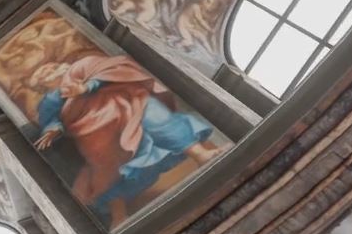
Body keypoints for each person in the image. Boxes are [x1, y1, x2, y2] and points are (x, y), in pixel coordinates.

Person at [28, 54, 220, 222]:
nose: (48, 71)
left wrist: (86, 87)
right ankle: (119, 216)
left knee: (158, 118)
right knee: (107, 165)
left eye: (49, 67)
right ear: (43, 86)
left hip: (127, 99)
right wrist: (53, 130)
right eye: (43, 75)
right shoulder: (50, 99)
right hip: (93, 128)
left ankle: (201, 154)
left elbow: (110, 70)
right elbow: (50, 119)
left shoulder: (82, 67)